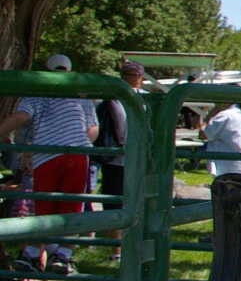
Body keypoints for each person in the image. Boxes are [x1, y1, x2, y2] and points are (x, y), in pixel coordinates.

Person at [0, 54, 99, 218]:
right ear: (69, 71)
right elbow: (93, 129)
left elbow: (20, 117)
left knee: (44, 209)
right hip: (77, 155)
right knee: (71, 209)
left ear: (46, 70)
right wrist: (78, 143)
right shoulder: (81, 97)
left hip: (46, 155)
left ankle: (45, 235)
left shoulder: (36, 94)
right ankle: (66, 235)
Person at [97, 60, 145, 205]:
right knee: (118, 201)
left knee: (122, 201)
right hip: (118, 158)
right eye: (130, 74)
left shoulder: (145, 99)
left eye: (135, 74)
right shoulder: (111, 99)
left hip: (128, 158)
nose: (134, 78)